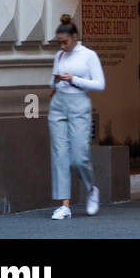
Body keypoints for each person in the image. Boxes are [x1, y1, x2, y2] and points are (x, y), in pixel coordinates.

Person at [48, 14, 105, 220]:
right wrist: (55, 81)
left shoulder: (88, 55)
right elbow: (51, 84)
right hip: (58, 105)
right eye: (59, 43)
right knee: (59, 154)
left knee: (79, 156)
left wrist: (75, 79)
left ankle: (92, 190)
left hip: (79, 104)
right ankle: (64, 205)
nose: (61, 47)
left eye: (65, 42)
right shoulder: (59, 56)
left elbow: (100, 84)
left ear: (75, 37)